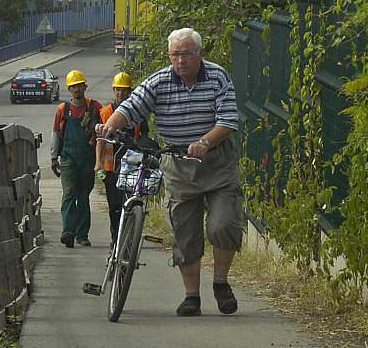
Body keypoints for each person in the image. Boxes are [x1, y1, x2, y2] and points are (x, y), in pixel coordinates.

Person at [96, 28, 244, 317]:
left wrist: (204, 141)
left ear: (199, 53)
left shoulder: (217, 77)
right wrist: (111, 125)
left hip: (216, 161)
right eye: (175, 54)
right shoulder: (160, 81)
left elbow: (228, 120)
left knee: (223, 224)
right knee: (184, 231)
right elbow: (132, 106)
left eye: (187, 53)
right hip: (178, 163)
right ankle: (192, 296)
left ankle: (221, 282)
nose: (181, 60)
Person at [94, 72, 148, 245]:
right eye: (118, 90)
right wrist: (99, 164)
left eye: (124, 90)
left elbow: (145, 137)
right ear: (113, 90)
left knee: (130, 203)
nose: (120, 93)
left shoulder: (138, 114)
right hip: (112, 167)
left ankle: (128, 239)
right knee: (115, 206)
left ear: (129, 92)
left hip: (133, 165)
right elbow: (100, 140)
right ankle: (115, 238)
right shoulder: (105, 113)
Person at [51, 70, 102, 248]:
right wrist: (53, 157)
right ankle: (68, 232)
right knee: (69, 193)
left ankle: (82, 235)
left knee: (83, 196)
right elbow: (56, 134)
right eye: (74, 86)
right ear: (69, 89)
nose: (77, 89)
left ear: (85, 87)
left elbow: (103, 133)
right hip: (68, 158)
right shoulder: (62, 110)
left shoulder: (95, 107)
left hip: (88, 158)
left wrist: (100, 160)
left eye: (80, 85)